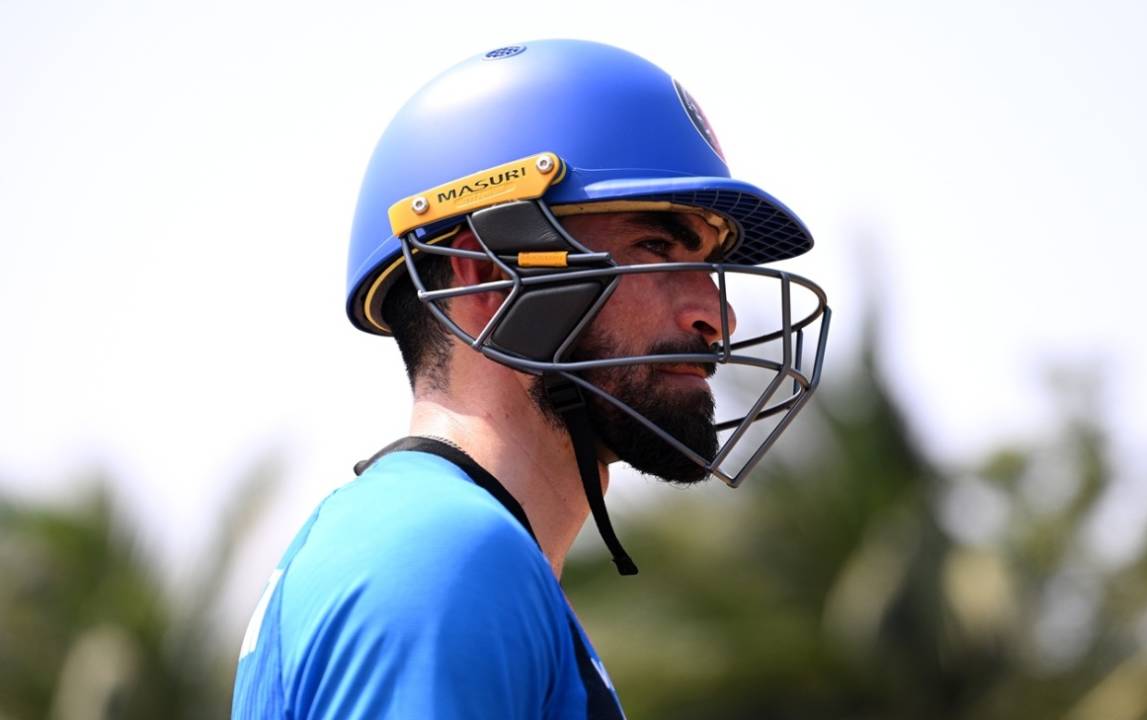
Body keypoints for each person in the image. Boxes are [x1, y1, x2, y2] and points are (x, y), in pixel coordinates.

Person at [231, 39, 830, 719]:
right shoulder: (440, 557)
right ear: (489, 277)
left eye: (707, 264)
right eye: (655, 247)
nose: (715, 315)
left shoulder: (435, 546)